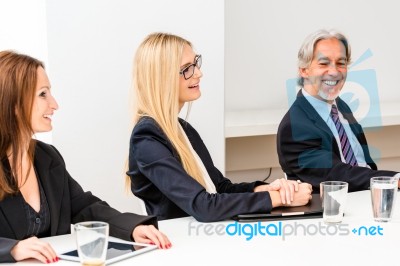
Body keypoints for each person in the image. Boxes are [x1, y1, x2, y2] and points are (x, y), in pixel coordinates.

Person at [0, 51, 171, 264]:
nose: (54, 104)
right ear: (14, 103)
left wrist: (132, 228)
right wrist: (12, 249)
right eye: (43, 94)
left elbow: (83, 207)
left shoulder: (47, 157)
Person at [126, 32, 312, 223]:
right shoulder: (147, 137)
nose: (198, 73)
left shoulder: (183, 129)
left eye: (195, 63)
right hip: (182, 244)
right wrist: (278, 199)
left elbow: (220, 187)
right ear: (162, 79)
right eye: (186, 69)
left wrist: (268, 189)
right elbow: (204, 206)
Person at [276, 29, 400, 193]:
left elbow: (363, 163)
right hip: (338, 208)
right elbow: (336, 175)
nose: (334, 72)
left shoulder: (339, 106)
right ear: (304, 70)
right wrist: (394, 180)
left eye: (341, 63)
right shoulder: (294, 126)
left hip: (370, 195)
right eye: (323, 63)